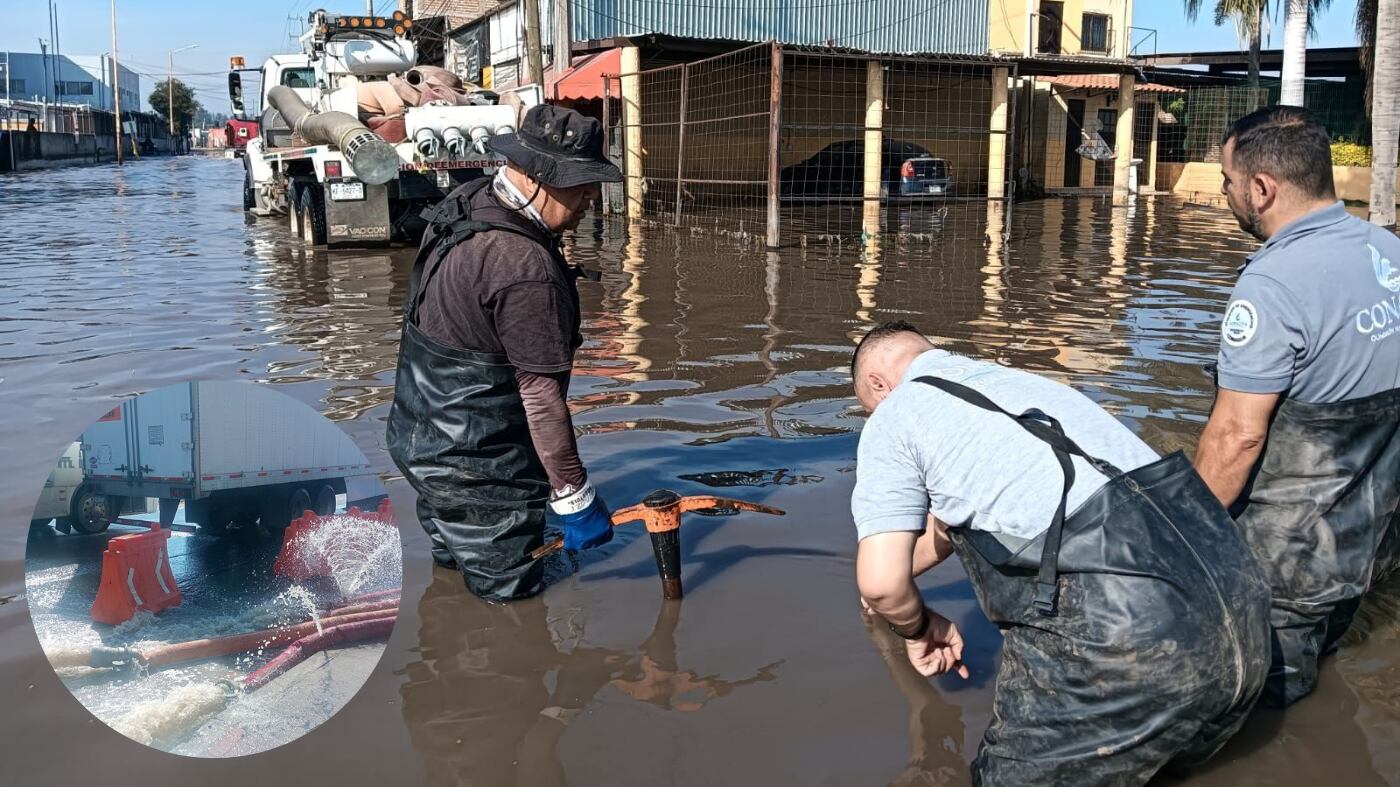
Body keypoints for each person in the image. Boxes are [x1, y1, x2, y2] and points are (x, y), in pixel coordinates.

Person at [850, 322, 1271, 786]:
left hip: (1128, 643)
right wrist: (892, 588)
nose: (877, 417)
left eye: (872, 409)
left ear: (877, 385)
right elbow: (945, 529)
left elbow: (881, 582)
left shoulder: (897, 413)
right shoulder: (1018, 383)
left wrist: (914, 624)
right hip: (1243, 616)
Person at [1195, 105, 1400, 708]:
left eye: (1229, 181)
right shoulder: (1386, 250)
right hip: (1370, 538)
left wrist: (1185, 532)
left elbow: (1238, 437)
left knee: (1263, 700)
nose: (1227, 193)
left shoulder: (1274, 282)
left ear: (1262, 189)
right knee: (1325, 676)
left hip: (1290, 560)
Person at [387, 104, 623, 601]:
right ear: (538, 177)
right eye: (581, 186)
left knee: (451, 576)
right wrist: (573, 494)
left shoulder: (470, 200)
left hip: (418, 439)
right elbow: (541, 399)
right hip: (478, 469)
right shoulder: (524, 266)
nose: (590, 200)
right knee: (510, 601)